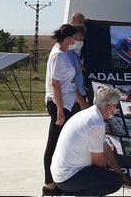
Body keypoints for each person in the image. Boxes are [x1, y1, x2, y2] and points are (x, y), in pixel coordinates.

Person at [50, 85, 129, 196]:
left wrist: (118, 170)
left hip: (62, 173)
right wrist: (113, 176)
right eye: (116, 106)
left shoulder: (90, 114)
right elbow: (98, 162)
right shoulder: (95, 123)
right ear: (109, 107)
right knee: (114, 182)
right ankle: (74, 194)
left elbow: (105, 148)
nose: (115, 110)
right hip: (68, 177)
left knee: (112, 176)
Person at [42, 24, 80, 196]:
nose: (75, 40)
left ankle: (57, 181)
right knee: (53, 144)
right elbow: (55, 84)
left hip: (66, 103)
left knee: (61, 144)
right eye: (73, 37)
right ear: (67, 38)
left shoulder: (62, 53)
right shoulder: (58, 55)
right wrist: (59, 110)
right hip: (59, 104)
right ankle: (49, 185)